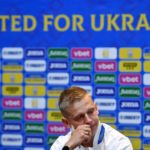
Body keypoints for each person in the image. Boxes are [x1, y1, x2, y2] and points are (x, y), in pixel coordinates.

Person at [50, 86, 133, 150]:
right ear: (67, 123)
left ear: (96, 108)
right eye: (79, 117)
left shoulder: (119, 143)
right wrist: (68, 147)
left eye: (90, 111)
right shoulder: (61, 144)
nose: (88, 120)